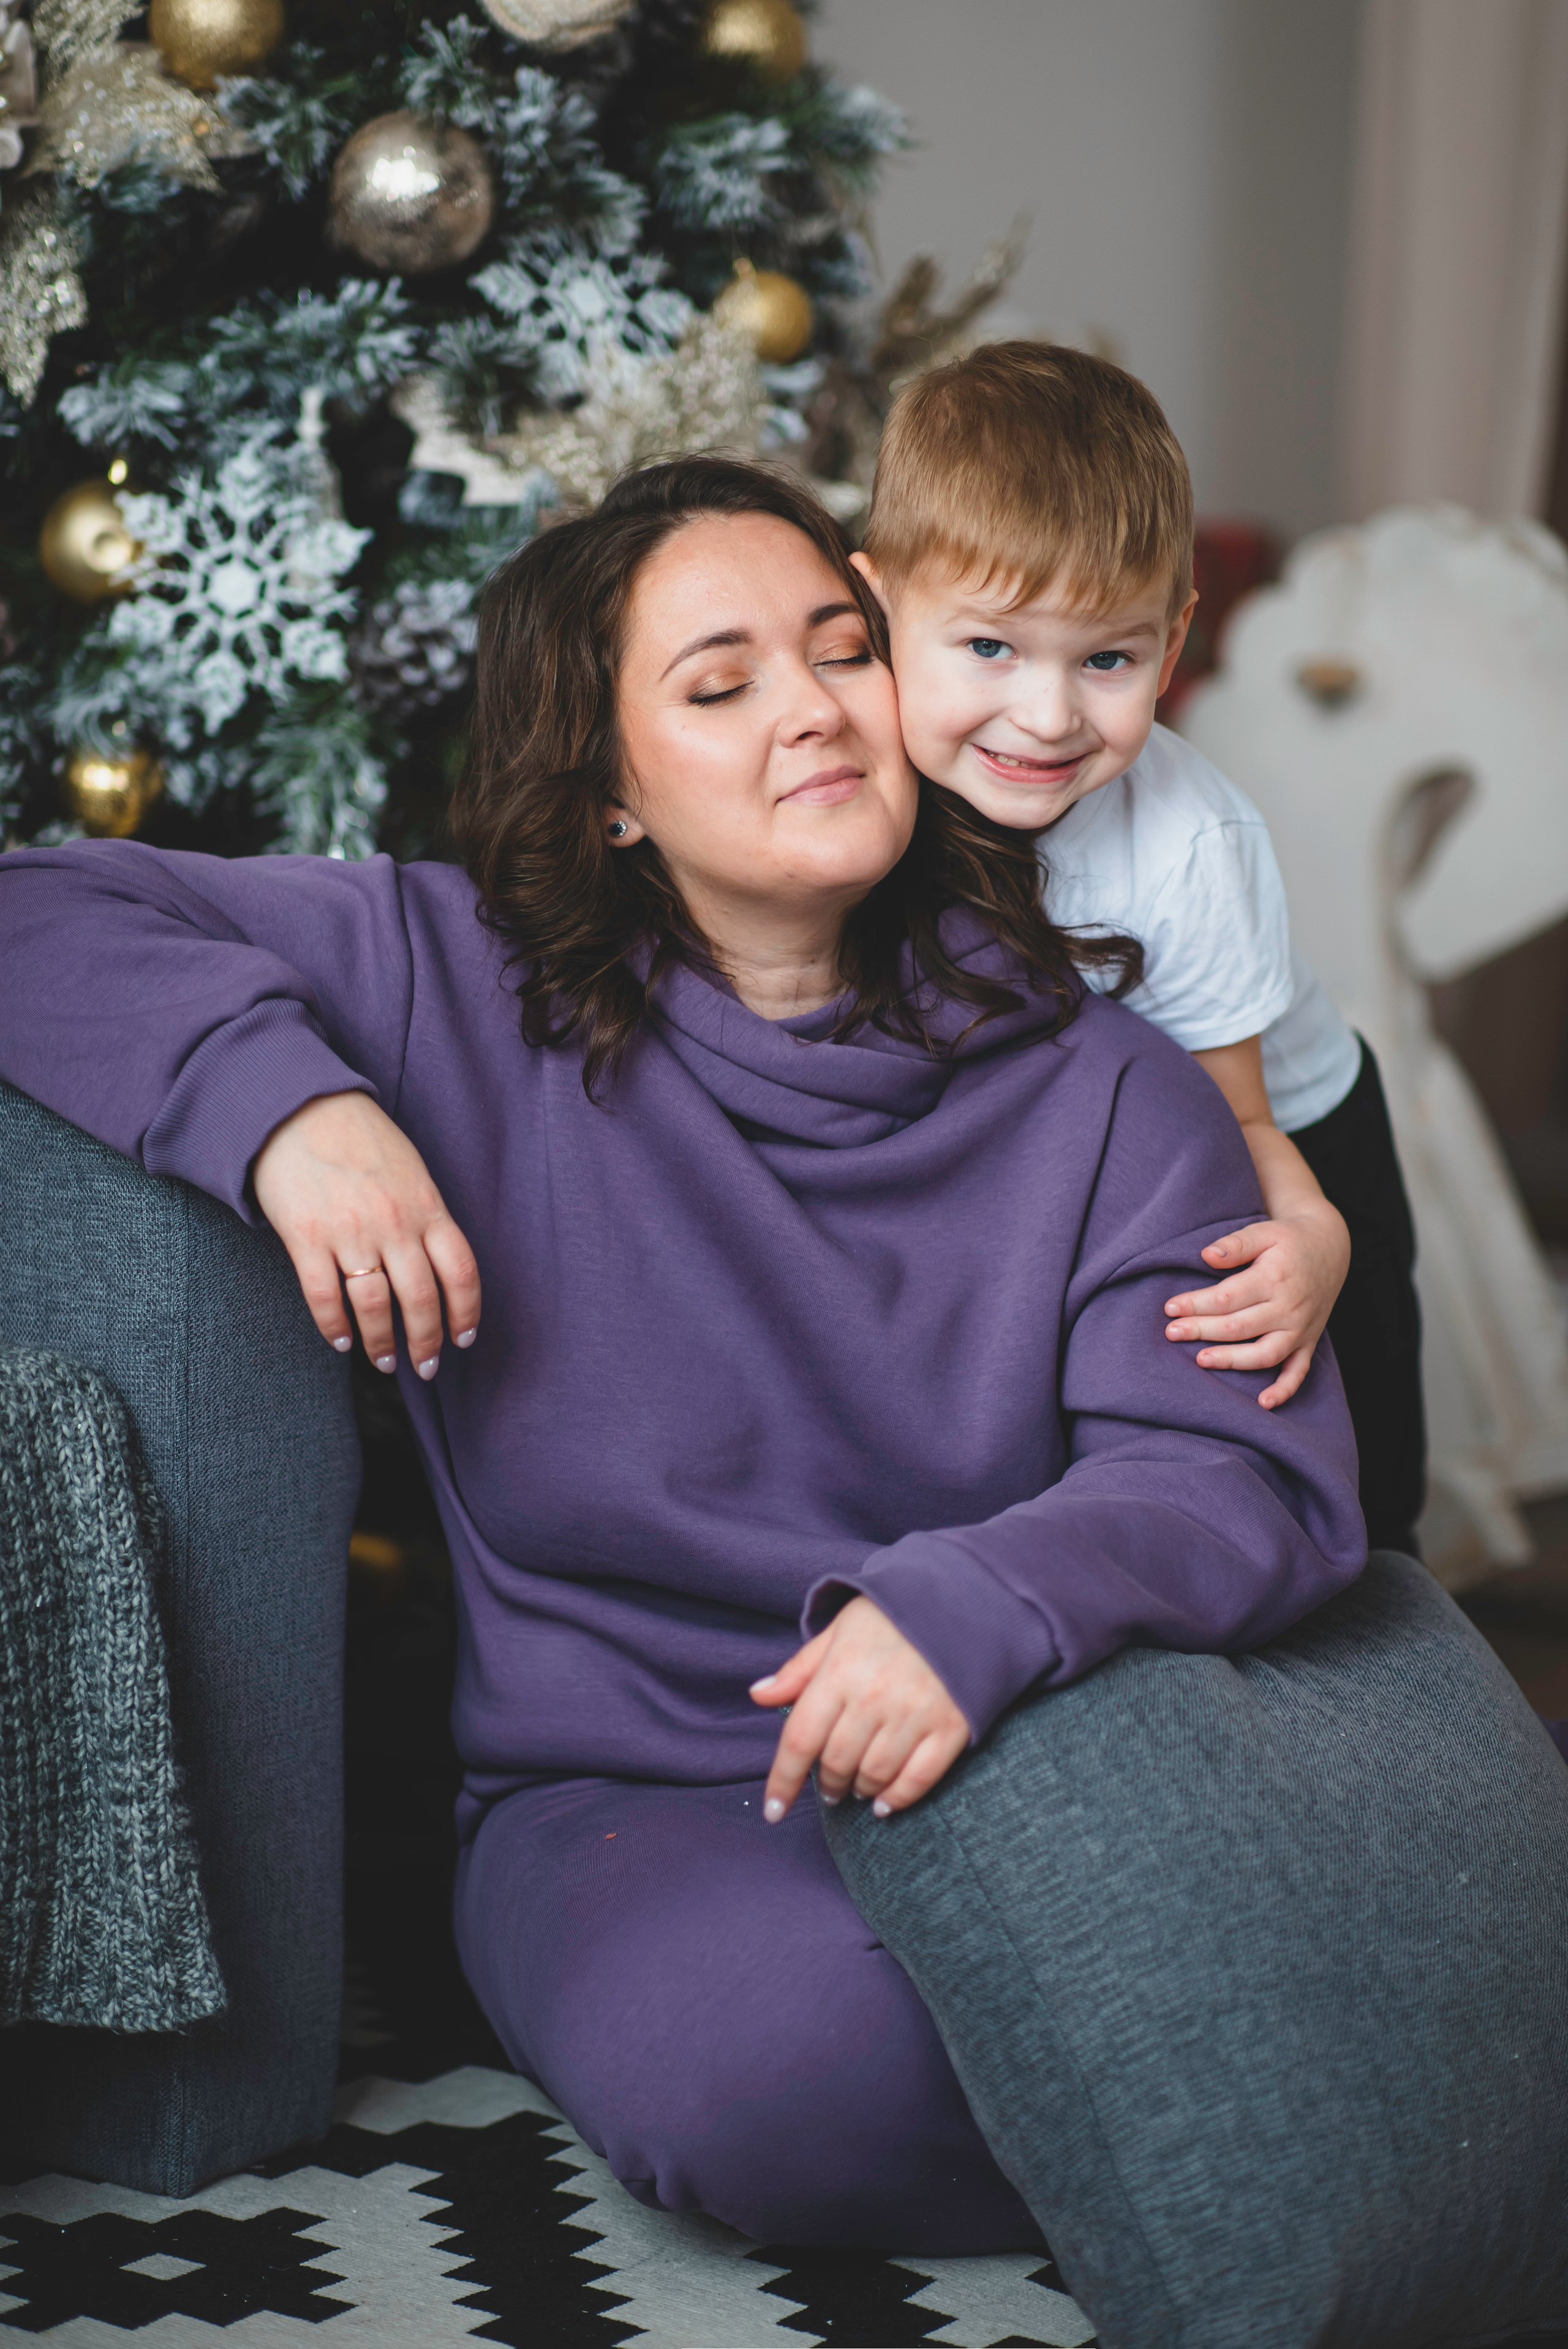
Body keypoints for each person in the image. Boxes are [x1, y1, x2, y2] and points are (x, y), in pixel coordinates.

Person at [0, 456, 1365, 2253]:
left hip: (1041, 1742)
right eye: (719, 687)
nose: (810, 709)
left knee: (1268, 1959)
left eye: (840, 651)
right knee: (788, 2088)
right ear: (614, 794)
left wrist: (976, 1607)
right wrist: (289, 1111)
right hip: (635, 1802)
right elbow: (37, 905)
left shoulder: (1104, 1079)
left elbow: (1239, 1469)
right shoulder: (448, 981)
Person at [850, 343, 1426, 1556]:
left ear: (1170, 650)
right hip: (1106, 1133)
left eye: (1104, 660)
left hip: (1287, 1128)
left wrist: (1315, 1237)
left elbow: (1241, 1122)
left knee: (1352, 1456)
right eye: (991, 649)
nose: (1048, 717)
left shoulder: (1185, 842)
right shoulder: (857, 783)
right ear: (876, 613)